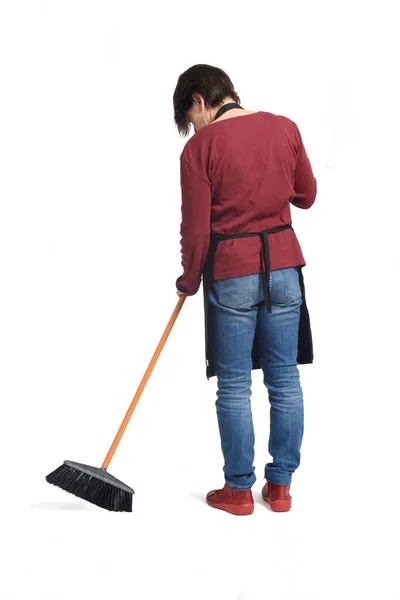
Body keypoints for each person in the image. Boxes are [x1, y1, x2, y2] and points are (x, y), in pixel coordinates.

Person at [173, 64, 317, 516]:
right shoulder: (284, 127)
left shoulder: (201, 148)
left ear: (199, 99)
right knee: (285, 378)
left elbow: (196, 231)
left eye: (190, 118)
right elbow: (306, 195)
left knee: (234, 385)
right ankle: (280, 489)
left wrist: (188, 279)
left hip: (231, 272)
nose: (192, 129)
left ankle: (237, 492)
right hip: (284, 269)